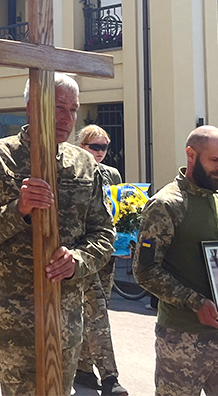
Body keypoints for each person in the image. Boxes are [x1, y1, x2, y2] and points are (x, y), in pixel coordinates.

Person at [0, 74, 115, 395]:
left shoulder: (84, 164)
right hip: (14, 322)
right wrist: (17, 211)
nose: (67, 118)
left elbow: (103, 234)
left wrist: (77, 260)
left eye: (73, 109)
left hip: (66, 319)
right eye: (58, 107)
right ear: (32, 107)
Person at [134, 125, 218, 396]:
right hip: (181, 339)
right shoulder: (166, 205)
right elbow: (145, 270)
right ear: (191, 155)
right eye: (215, 160)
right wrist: (196, 303)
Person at [74, 124, 128, 396]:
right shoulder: (72, 172)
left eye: (104, 147)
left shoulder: (111, 174)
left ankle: (83, 368)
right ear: (81, 146)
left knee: (96, 309)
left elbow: (119, 210)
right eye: (94, 146)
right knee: (97, 311)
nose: (100, 152)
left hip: (107, 251)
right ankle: (109, 377)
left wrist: (126, 238)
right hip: (83, 251)